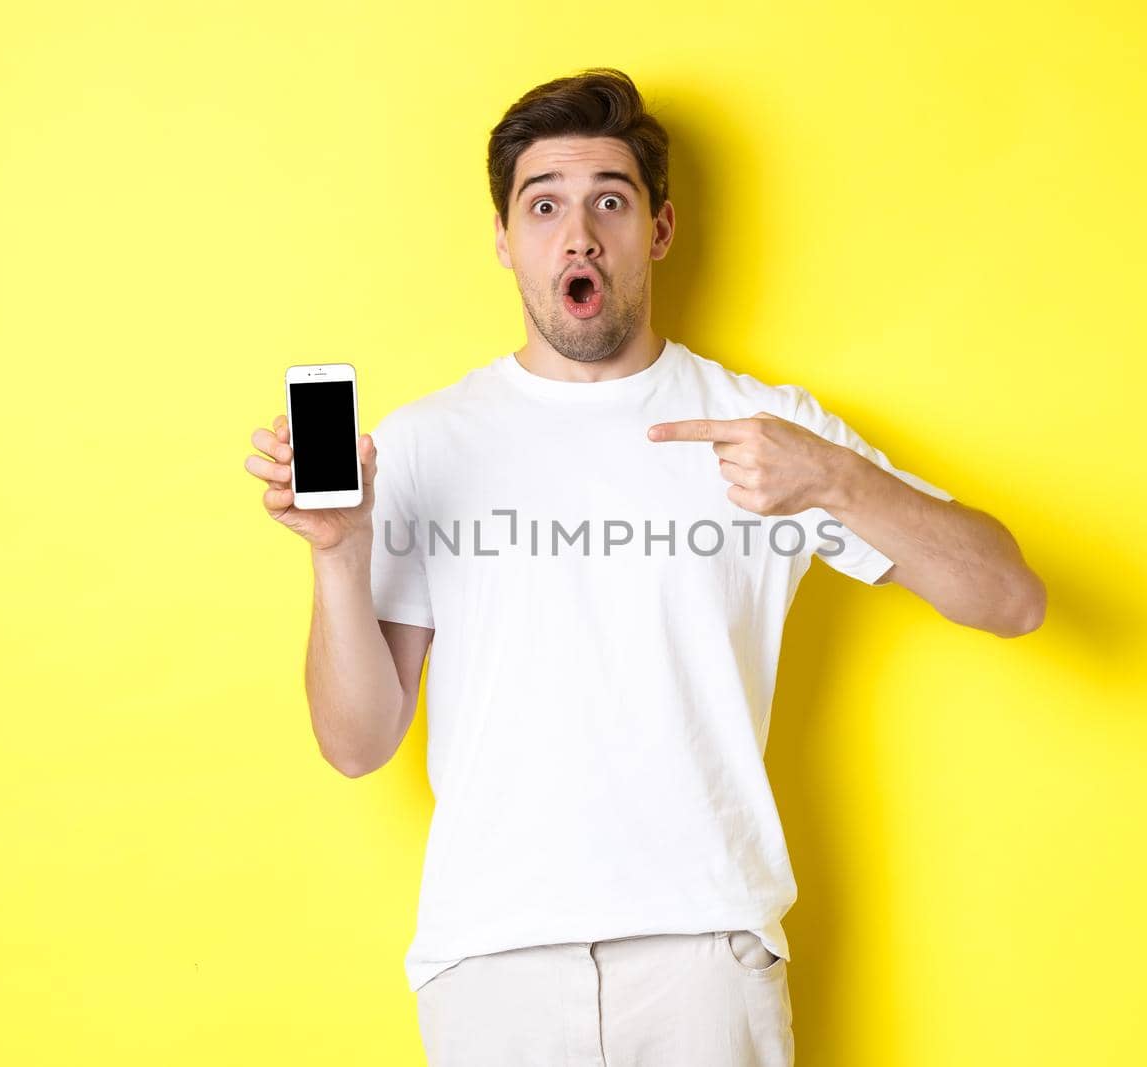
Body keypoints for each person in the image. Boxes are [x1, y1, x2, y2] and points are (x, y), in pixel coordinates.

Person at [243, 67, 1045, 1067]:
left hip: (704, 950)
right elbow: (358, 741)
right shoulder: (421, 445)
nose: (577, 234)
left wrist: (839, 480)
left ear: (657, 229)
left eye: (608, 202)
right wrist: (338, 551)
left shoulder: (766, 428)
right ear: (503, 239)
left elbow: (1010, 596)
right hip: (492, 961)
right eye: (544, 206)